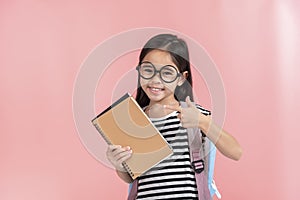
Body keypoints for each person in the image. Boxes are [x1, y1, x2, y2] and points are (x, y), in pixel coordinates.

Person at [106, 34, 242, 199]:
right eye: (148, 69)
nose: (155, 80)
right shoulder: (134, 120)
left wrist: (203, 122)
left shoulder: (194, 116)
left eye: (167, 73)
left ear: (181, 78)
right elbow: (132, 177)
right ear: (139, 70)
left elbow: (236, 152)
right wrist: (119, 164)